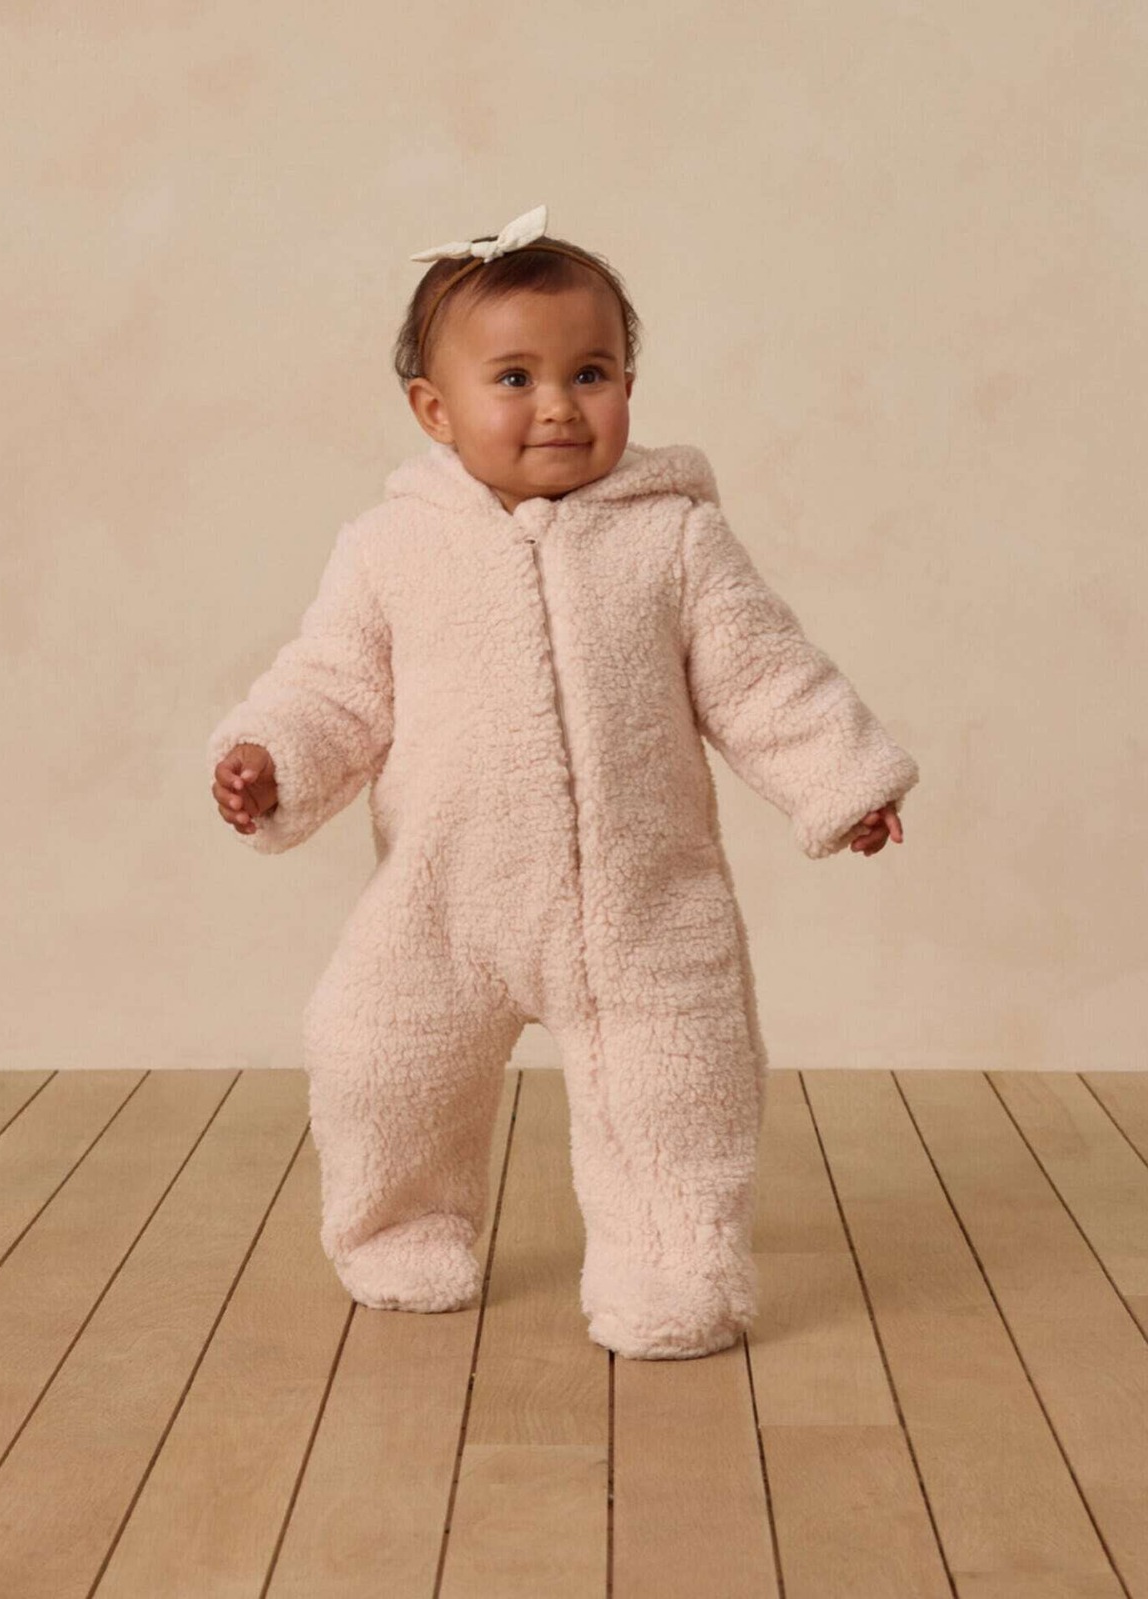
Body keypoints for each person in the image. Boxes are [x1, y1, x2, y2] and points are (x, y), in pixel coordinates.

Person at [207, 204, 918, 1360]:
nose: (557, 405)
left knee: (677, 1099)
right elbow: (331, 685)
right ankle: (401, 1230)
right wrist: (269, 758)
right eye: (514, 378)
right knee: (376, 1061)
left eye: (590, 373)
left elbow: (763, 675)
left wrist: (840, 779)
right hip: (444, 900)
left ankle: (672, 1273)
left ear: (628, 383)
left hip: (645, 904)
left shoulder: (673, 541)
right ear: (433, 411)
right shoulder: (390, 550)